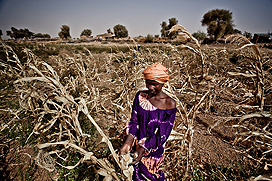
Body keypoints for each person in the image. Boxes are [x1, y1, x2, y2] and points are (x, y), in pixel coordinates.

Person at [120, 62, 177, 181]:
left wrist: (143, 149)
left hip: (154, 152)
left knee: (150, 176)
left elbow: (162, 135)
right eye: (148, 83)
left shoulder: (169, 104)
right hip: (135, 147)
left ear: (162, 83)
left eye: (155, 84)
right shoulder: (140, 97)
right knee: (132, 175)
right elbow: (134, 122)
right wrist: (128, 142)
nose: (150, 87)